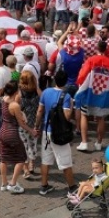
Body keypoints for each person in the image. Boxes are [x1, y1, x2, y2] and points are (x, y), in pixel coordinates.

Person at [35, 63, 77, 196]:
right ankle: (71, 187)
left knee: (46, 160)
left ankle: (44, 185)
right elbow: (67, 116)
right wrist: (71, 106)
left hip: (46, 131)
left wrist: (36, 126)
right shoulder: (66, 96)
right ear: (65, 81)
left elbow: (40, 111)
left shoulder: (46, 92)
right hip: (59, 133)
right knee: (65, 161)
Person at [0, 81, 36, 194]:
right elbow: (22, 123)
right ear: (16, 91)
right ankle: (13, 183)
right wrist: (32, 131)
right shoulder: (15, 105)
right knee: (21, 158)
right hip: (12, 133)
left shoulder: (4, 99)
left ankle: (4, 183)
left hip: (2, 131)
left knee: (3, 158)